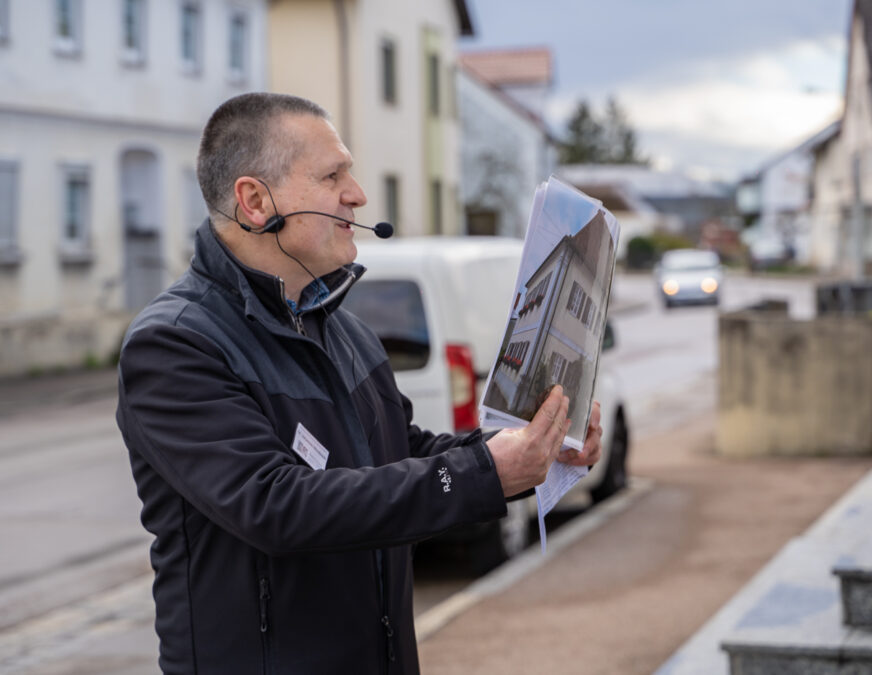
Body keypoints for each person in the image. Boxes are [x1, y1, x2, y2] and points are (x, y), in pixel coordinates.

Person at [115, 92, 603, 675]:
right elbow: (276, 505)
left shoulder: (345, 329)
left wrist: (533, 450)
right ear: (253, 201)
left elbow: (405, 451)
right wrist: (484, 473)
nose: (358, 194)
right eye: (332, 175)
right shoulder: (174, 345)